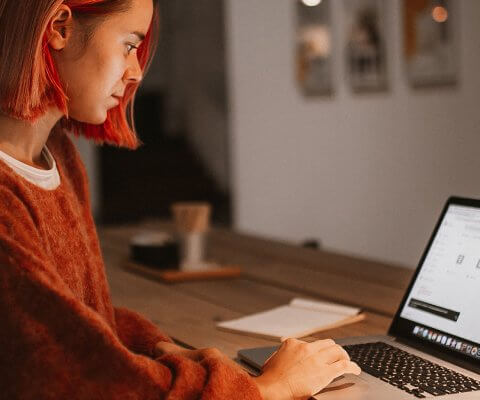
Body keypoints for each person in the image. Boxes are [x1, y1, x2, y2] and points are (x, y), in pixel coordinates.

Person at [0, 0, 361, 399]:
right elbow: (78, 379)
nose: (137, 72)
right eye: (128, 45)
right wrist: (268, 389)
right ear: (60, 29)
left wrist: (159, 348)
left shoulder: (60, 156)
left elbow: (84, 322)